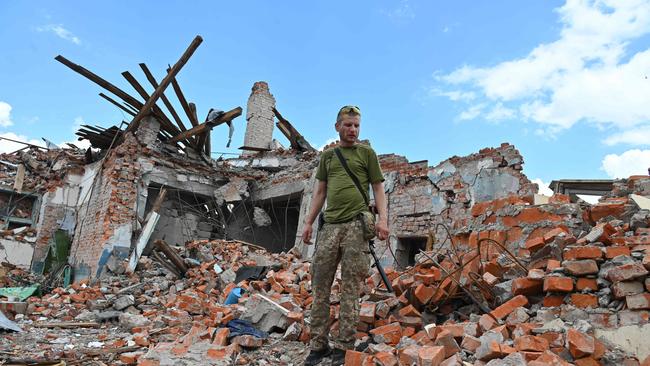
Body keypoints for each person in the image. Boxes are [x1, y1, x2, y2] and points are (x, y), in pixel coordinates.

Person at [301, 105, 389, 366]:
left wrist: (383, 220)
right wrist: (308, 222)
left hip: (356, 227)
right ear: (337, 126)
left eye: (357, 126)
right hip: (329, 228)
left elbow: (378, 187)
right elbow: (320, 193)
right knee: (320, 287)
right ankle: (318, 346)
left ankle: (343, 347)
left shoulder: (367, 154)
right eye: (348, 125)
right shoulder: (328, 157)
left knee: (350, 289)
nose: (353, 130)